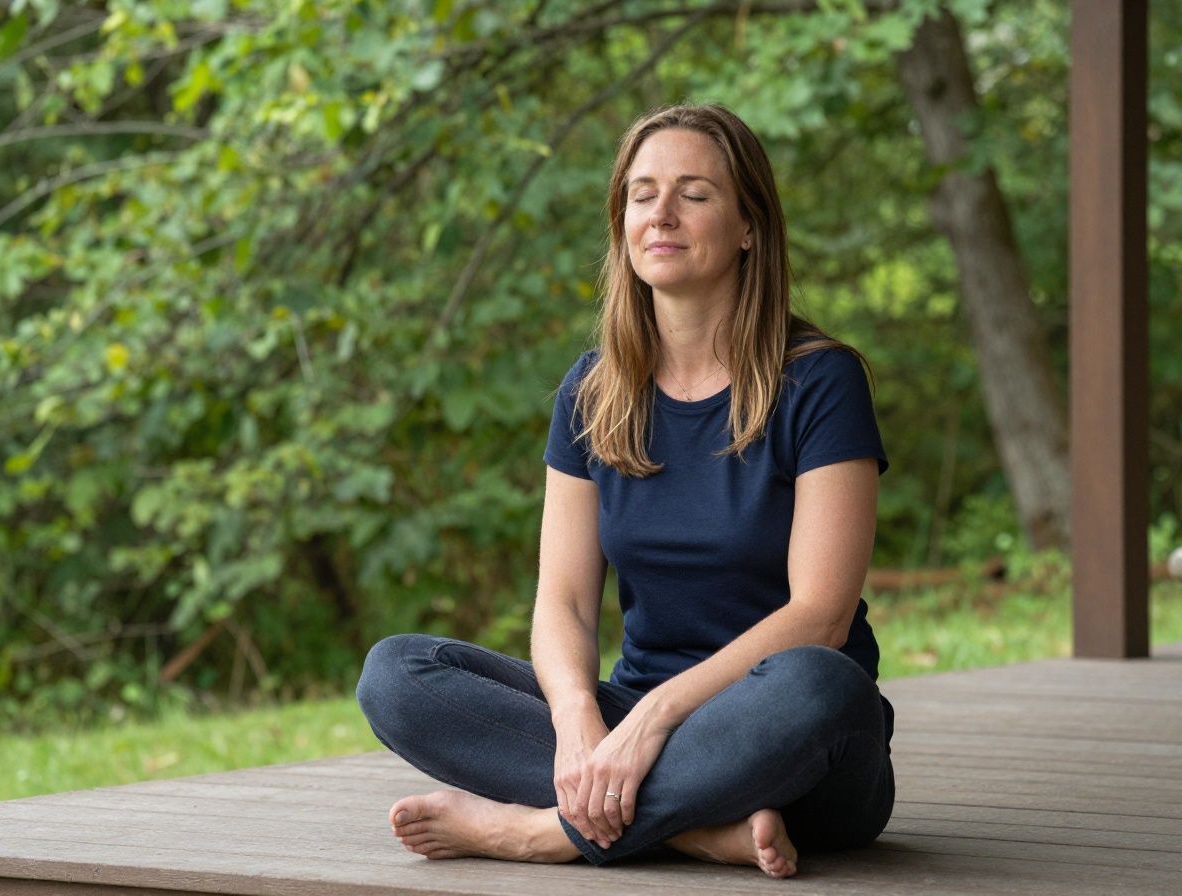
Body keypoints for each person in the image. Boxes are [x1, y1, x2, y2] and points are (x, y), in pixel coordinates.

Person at [356, 103, 894, 879]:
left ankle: (538, 832)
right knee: (398, 674)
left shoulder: (819, 380)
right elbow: (565, 604)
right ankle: (696, 833)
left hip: (793, 745)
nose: (662, 214)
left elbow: (820, 614)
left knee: (823, 682)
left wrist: (652, 719)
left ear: (749, 227)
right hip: (629, 727)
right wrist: (579, 721)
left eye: (695, 194)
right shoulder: (593, 391)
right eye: (642, 195)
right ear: (622, 225)